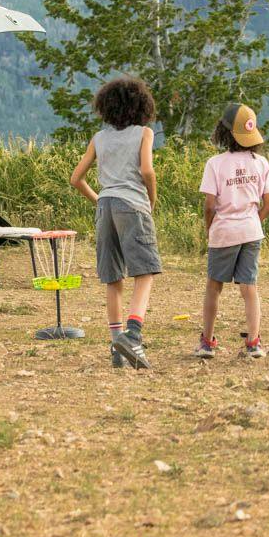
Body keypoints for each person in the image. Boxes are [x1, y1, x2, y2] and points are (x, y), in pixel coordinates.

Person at [69, 76, 161, 369]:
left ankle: (116, 344)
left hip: (105, 206)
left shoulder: (100, 138)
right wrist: (151, 200)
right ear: (141, 107)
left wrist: (99, 199)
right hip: (132, 205)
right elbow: (147, 171)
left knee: (113, 278)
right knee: (145, 272)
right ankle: (133, 335)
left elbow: (76, 178)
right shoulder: (144, 134)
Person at [196, 103, 269, 359]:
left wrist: (211, 229)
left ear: (224, 132)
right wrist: (252, 221)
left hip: (223, 232)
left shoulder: (215, 164)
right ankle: (253, 343)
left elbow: (209, 206)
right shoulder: (260, 163)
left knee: (214, 287)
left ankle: (207, 342)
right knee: (249, 287)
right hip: (252, 232)